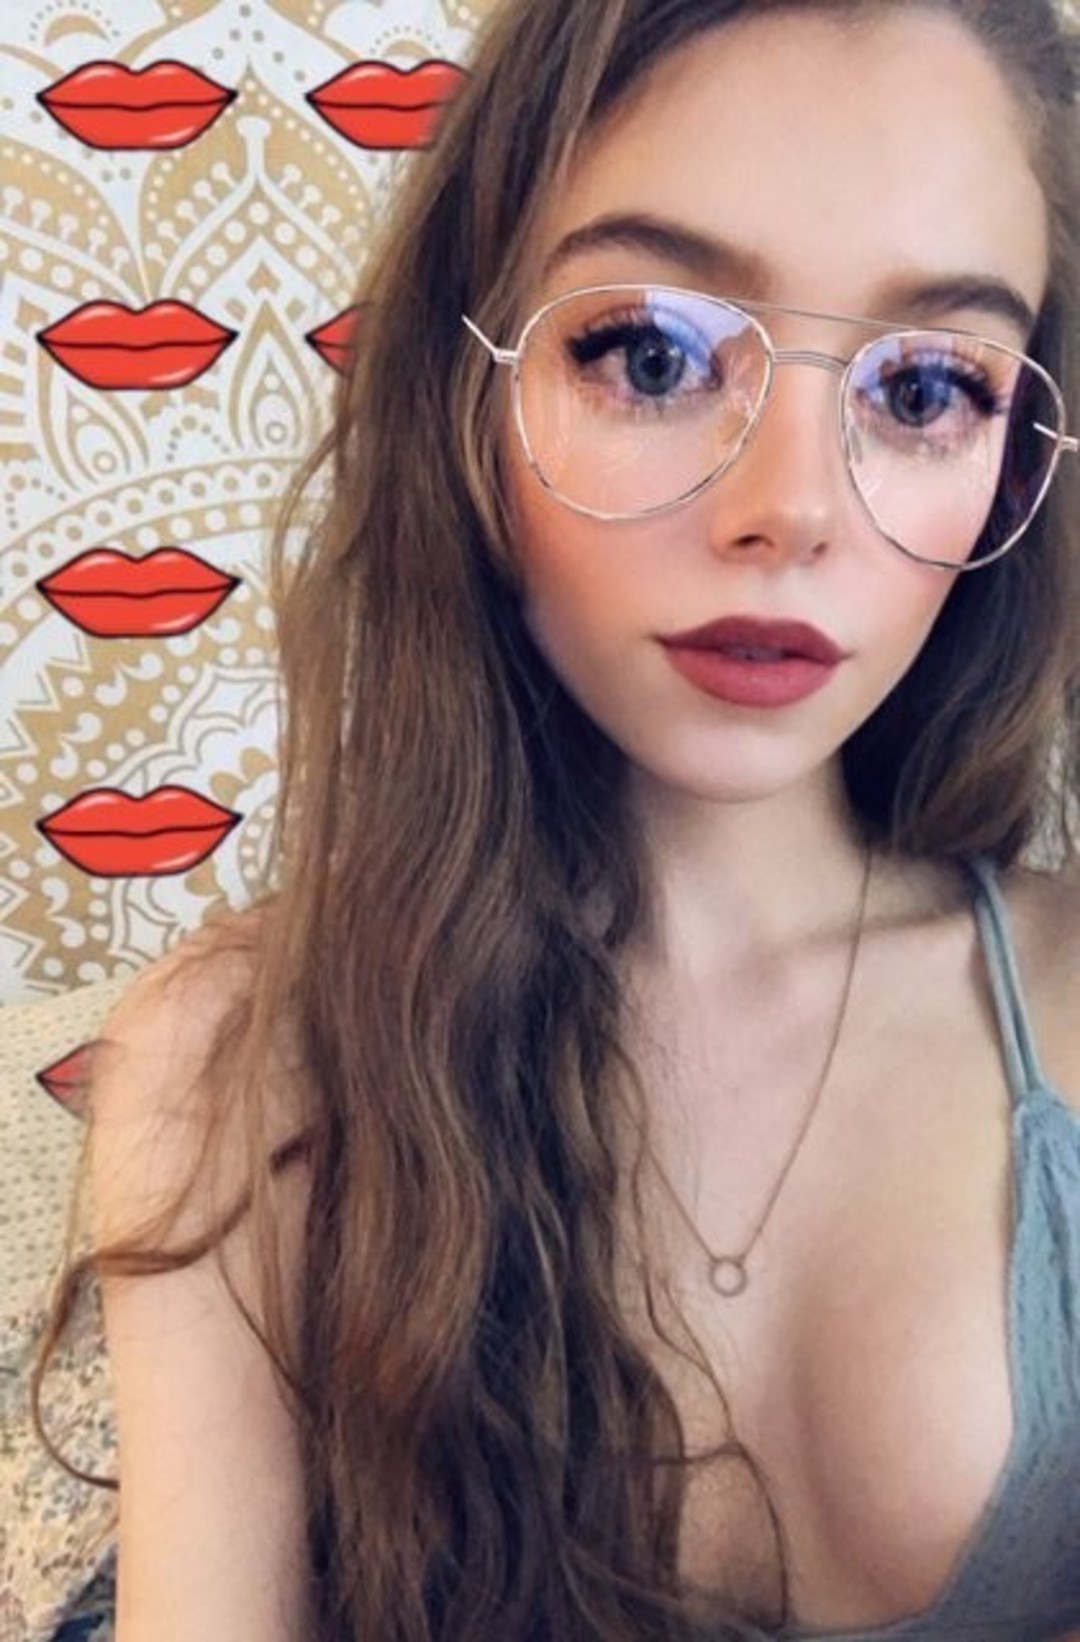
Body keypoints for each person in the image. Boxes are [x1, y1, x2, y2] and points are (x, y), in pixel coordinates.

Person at [31, 1, 1080, 1638]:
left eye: (929, 384)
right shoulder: (237, 1066)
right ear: (467, 389)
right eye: (651, 353)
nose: (793, 508)